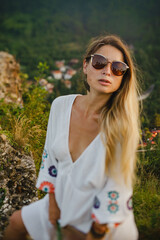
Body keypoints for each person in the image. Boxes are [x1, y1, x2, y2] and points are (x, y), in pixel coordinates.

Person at [4, 34, 140, 240]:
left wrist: (92, 232)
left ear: (123, 78)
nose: (107, 71)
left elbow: (116, 189)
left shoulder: (121, 126)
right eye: (100, 62)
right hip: (62, 199)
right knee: (15, 223)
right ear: (85, 66)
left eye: (117, 68)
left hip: (102, 220)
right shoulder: (60, 105)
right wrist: (52, 204)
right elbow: (49, 158)